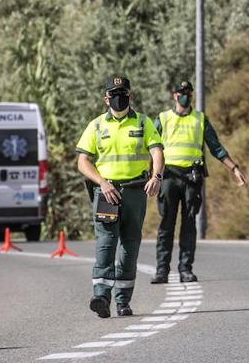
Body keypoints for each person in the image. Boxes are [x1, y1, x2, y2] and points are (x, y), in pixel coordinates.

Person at [76, 75, 164, 318]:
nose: (118, 98)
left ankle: (123, 301)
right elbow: (83, 162)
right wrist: (102, 182)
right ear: (106, 98)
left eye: (123, 93)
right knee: (105, 244)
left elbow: (156, 151)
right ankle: (101, 296)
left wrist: (157, 177)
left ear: (130, 95)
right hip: (107, 193)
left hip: (136, 192)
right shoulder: (96, 126)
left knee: (129, 247)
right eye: (113, 94)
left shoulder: (144, 123)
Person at [151, 81, 247, 284]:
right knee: (166, 224)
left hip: (191, 178)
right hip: (168, 177)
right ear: (174, 95)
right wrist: (150, 177)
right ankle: (162, 270)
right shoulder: (162, 119)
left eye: (188, 92)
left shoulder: (200, 119)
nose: (185, 95)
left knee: (189, 225)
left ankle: (185, 269)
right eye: (181, 92)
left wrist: (234, 169)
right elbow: (150, 148)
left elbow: (216, 148)